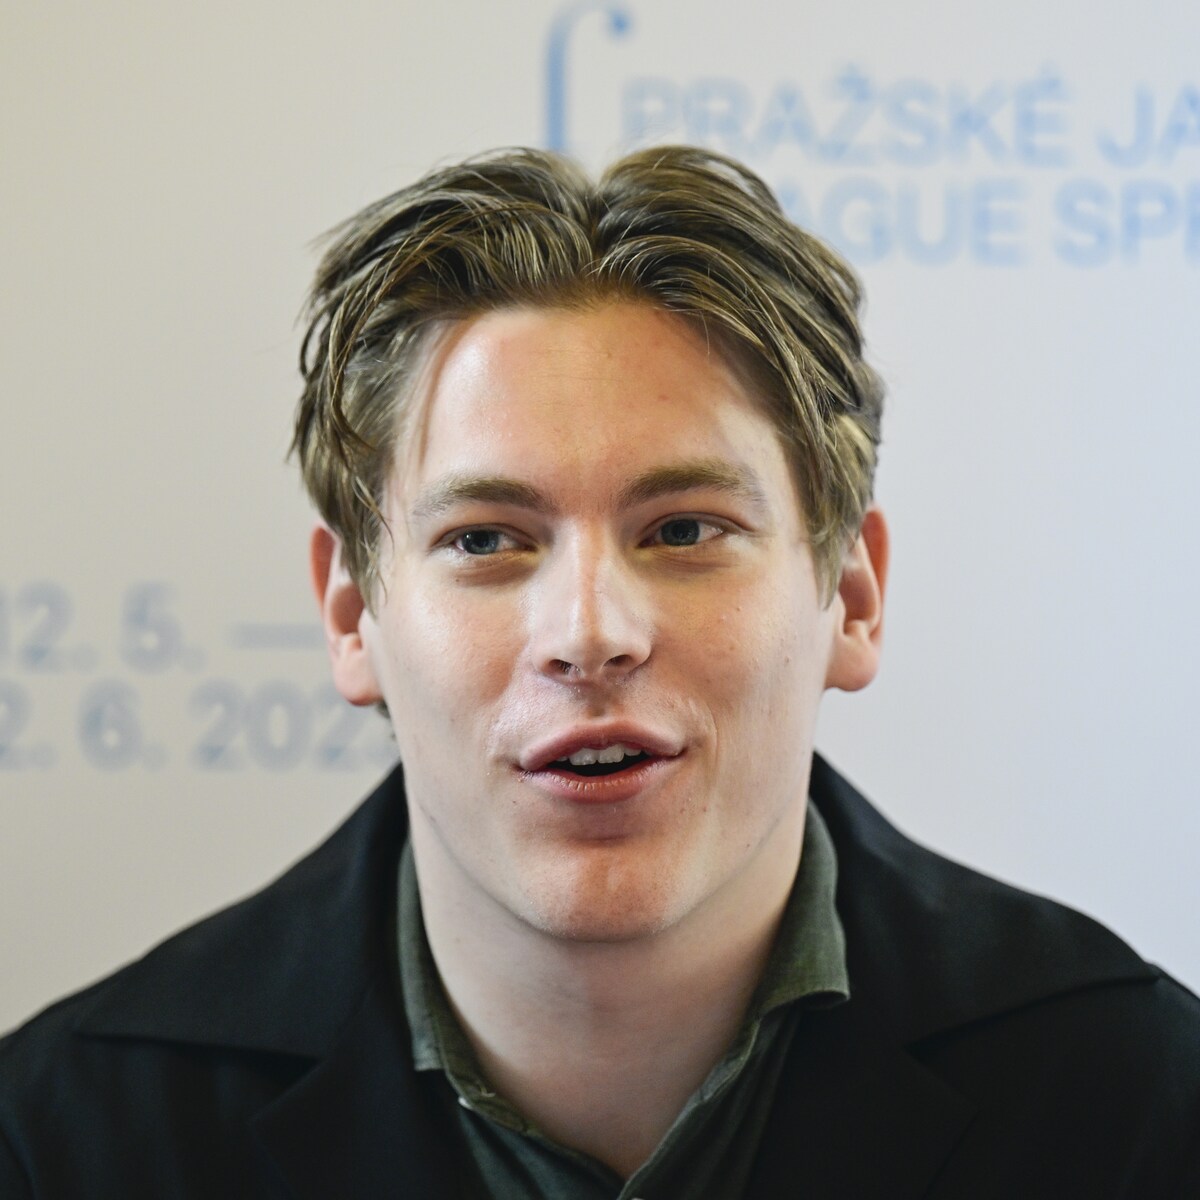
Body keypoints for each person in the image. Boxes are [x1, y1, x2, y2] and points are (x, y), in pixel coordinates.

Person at [1, 146, 1197, 1198]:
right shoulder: (63, 1143)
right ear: (353, 614)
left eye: (682, 529)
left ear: (854, 595)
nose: (586, 634)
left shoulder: (1144, 1105)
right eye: (486, 541)